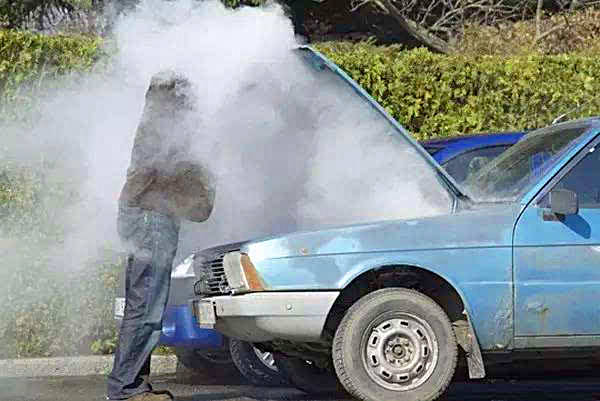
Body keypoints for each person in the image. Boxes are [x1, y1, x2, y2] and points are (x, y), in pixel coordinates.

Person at [107, 71, 215, 401]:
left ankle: (131, 385)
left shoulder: (155, 125)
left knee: (142, 308)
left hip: (147, 218)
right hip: (153, 221)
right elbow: (173, 175)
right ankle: (127, 389)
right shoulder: (165, 130)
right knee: (146, 310)